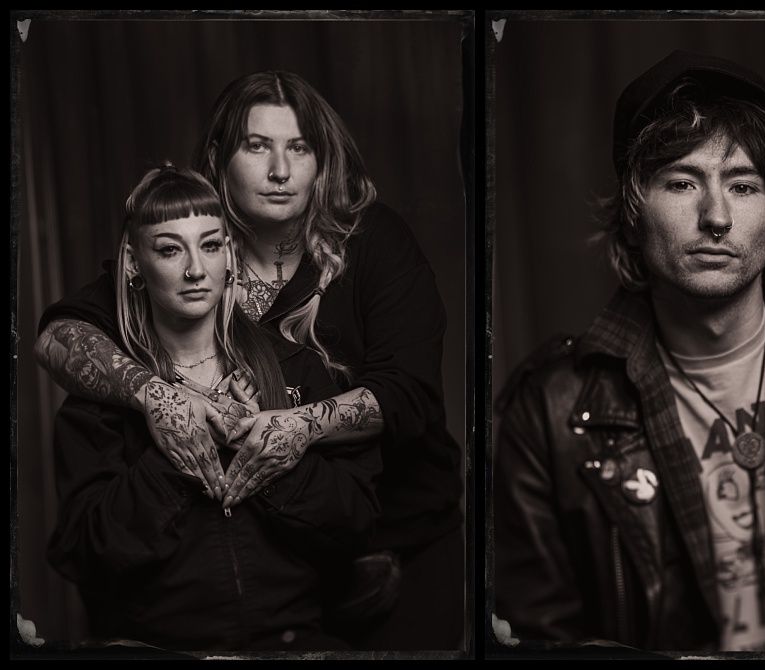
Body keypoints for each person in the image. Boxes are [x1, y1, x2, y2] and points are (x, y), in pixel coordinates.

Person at [493, 49, 765, 653]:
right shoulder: (551, 410)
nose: (717, 217)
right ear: (632, 212)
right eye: (681, 182)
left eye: (744, 184)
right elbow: (536, 639)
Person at [35, 70, 464, 651]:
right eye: (256, 146)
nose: (281, 171)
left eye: (299, 147)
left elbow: (409, 393)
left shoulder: (373, 243)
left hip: (400, 532)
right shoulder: (193, 242)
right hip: (260, 574)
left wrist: (295, 428)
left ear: (322, 159)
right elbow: (62, 335)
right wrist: (156, 396)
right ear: (218, 157)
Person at [46, 165, 382, 651]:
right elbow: (88, 556)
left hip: (294, 644)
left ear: (229, 254)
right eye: (168, 249)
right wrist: (175, 452)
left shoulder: (294, 368)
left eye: (209, 245)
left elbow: (357, 526)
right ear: (132, 263)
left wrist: (269, 447)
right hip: (159, 649)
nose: (194, 270)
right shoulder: (102, 398)